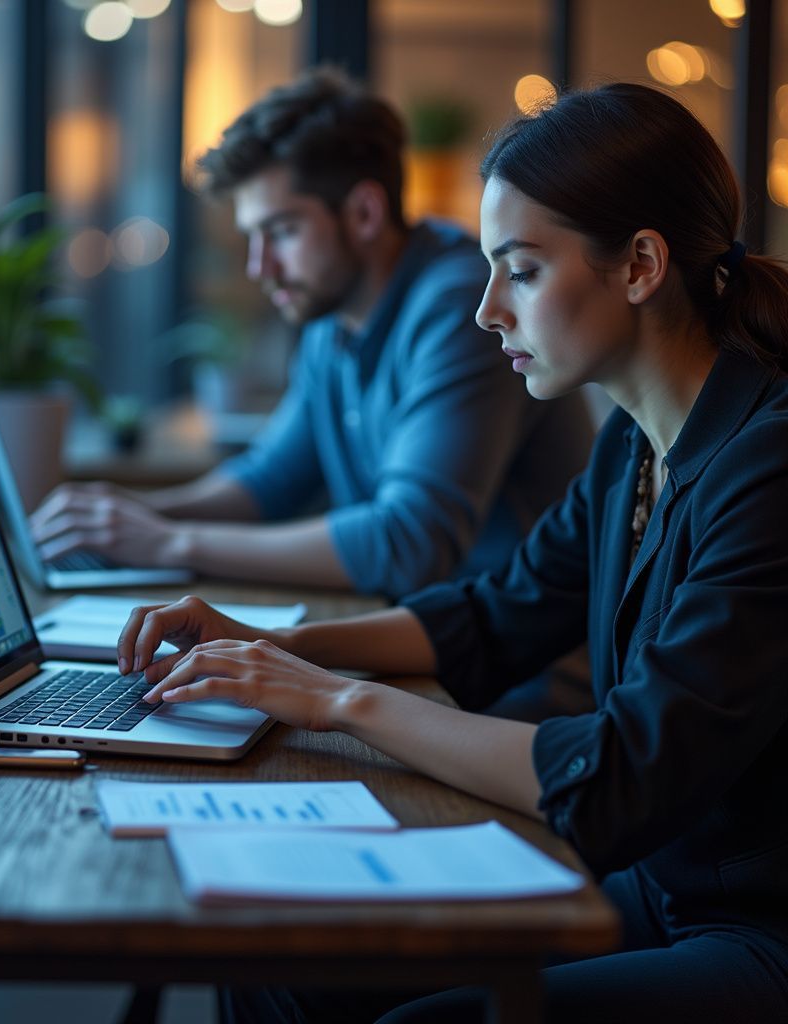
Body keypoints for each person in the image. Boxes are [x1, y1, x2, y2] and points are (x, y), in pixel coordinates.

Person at [115, 83, 788, 1023]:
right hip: (655, 887)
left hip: (755, 933)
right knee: (281, 954)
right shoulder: (634, 446)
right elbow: (493, 613)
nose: (486, 312)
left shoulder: (768, 469)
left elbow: (621, 778)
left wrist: (334, 700)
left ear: (639, 265)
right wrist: (278, 652)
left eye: (519, 270)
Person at [31, 68, 594, 602]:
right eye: (253, 238)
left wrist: (168, 542)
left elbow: (410, 543)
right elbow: (271, 479)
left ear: (365, 212)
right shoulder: (333, 319)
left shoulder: (457, 303)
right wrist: (129, 518)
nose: (260, 267)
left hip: (516, 686)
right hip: (426, 644)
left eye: (280, 232)